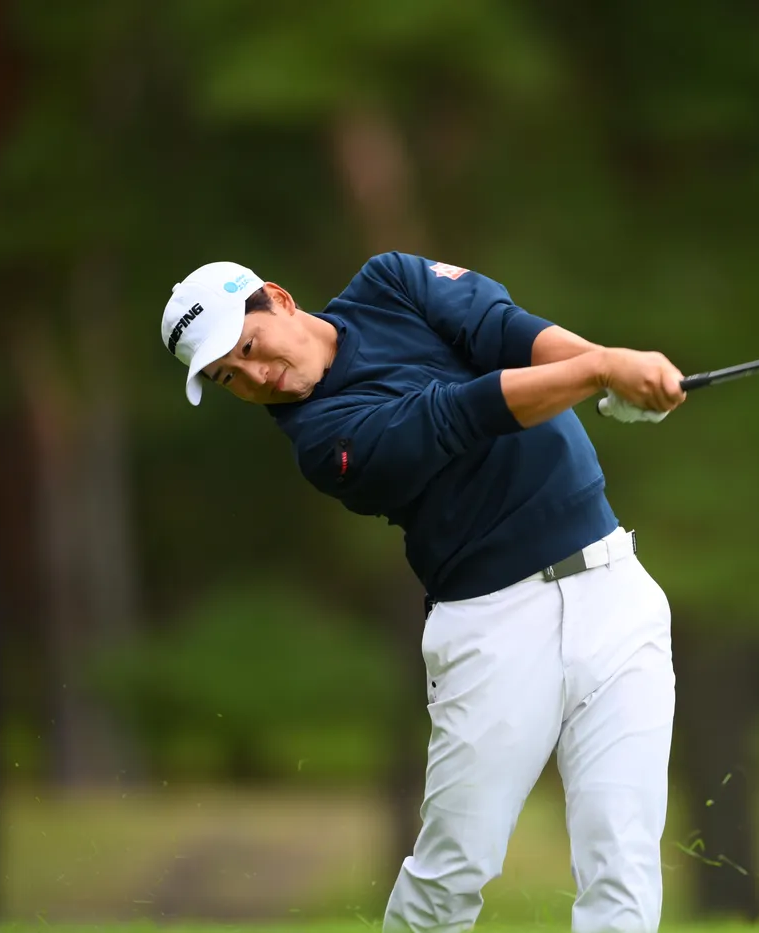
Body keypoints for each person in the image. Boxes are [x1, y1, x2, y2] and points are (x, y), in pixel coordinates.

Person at [159, 253, 686, 932]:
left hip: (616, 590)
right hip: (494, 627)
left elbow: (505, 331)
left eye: (249, 347)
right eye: (229, 377)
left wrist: (619, 374)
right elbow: (455, 416)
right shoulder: (322, 442)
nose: (255, 377)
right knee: (454, 869)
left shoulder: (391, 283)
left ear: (280, 300)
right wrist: (602, 370)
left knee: (623, 856)